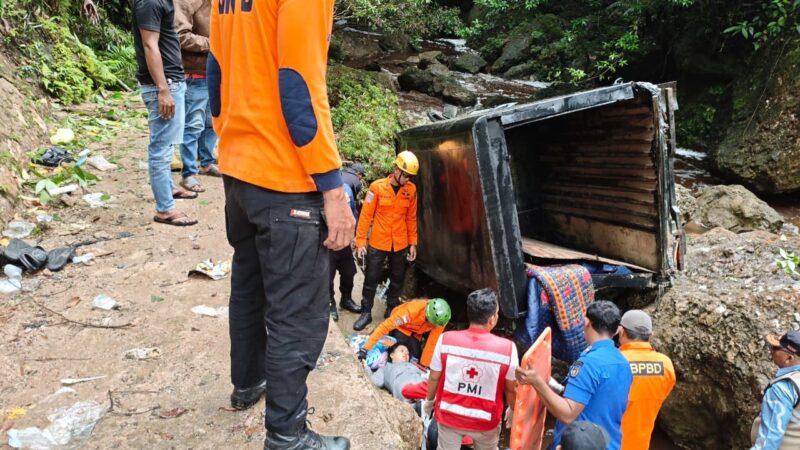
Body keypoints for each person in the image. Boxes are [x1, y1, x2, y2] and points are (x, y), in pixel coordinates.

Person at [208, 0, 355, 447]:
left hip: (239, 170)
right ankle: (287, 434)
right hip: (285, 178)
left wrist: (232, 137)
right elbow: (299, 83)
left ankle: (248, 382)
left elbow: (216, 72)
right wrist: (332, 188)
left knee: (249, 286)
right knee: (297, 311)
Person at [516, 300, 632, 450]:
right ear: (617, 330)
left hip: (579, 444)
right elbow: (600, 398)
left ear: (586, 322)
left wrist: (537, 382)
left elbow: (568, 414)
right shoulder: (623, 362)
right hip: (608, 443)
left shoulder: (589, 363)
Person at [422, 288, 517, 450]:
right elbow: (510, 389)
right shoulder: (507, 349)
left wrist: (429, 401)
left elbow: (434, 377)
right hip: (486, 421)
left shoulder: (445, 340)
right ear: (492, 319)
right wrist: (513, 408)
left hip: (449, 416)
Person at [132, 0, 198, 226]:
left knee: (167, 143)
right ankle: (164, 209)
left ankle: (168, 188)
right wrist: (163, 89)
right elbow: (150, 45)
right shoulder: (149, 2)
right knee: (161, 147)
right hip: (164, 84)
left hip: (171, 81)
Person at [353, 151, 419, 330]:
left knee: (397, 278)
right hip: (378, 242)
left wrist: (412, 243)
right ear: (396, 170)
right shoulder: (377, 187)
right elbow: (365, 216)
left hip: (400, 242)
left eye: (410, 176)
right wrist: (360, 242)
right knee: (371, 278)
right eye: (405, 175)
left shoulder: (410, 191)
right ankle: (366, 312)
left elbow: (411, 218)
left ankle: (391, 310)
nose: (407, 179)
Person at [175, 0, 220, 195]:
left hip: (215, 71)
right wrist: (215, 44)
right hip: (194, 71)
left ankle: (206, 162)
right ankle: (188, 173)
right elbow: (179, 35)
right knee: (193, 124)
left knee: (212, 122)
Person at [618, 310, 676, 450]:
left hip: (610, 443)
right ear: (651, 335)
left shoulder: (613, 360)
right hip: (641, 444)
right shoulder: (666, 364)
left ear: (621, 332)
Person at [358, 298, 450, 368]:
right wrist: (365, 349)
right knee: (398, 347)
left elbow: (432, 342)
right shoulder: (409, 312)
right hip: (402, 326)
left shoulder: (440, 321)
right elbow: (385, 326)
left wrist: (423, 366)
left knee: (416, 355)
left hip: (416, 333)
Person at [750, 330, 800, 450]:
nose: (772, 350)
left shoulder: (781, 389)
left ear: (789, 357)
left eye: (776, 348)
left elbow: (768, 443)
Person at [329, 181, 361, 321]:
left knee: (349, 272)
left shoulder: (346, 188)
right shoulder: (321, 190)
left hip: (344, 242)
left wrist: (354, 236)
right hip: (328, 243)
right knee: (327, 278)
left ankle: (346, 299)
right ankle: (330, 304)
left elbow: (353, 213)